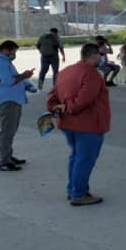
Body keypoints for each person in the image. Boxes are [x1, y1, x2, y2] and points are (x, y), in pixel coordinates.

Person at [46, 43, 111, 205]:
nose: (102, 57)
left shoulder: (66, 71)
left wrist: (57, 107)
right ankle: (79, 194)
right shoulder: (92, 74)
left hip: (68, 123)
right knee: (85, 159)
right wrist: (69, 107)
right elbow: (84, 99)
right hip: (88, 123)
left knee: (76, 157)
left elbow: (52, 96)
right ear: (94, 55)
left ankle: (74, 189)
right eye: (101, 54)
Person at [0, 40, 36, 171]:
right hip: (6, 101)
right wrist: (24, 76)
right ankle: (4, 161)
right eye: (13, 52)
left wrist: (25, 81)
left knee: (10, 131)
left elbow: (13, 77)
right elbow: (9, 81)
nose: (14, 55)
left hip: (13, 100)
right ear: (6, 50)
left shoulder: (5, 62)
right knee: (6, 132)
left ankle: (8, 156)